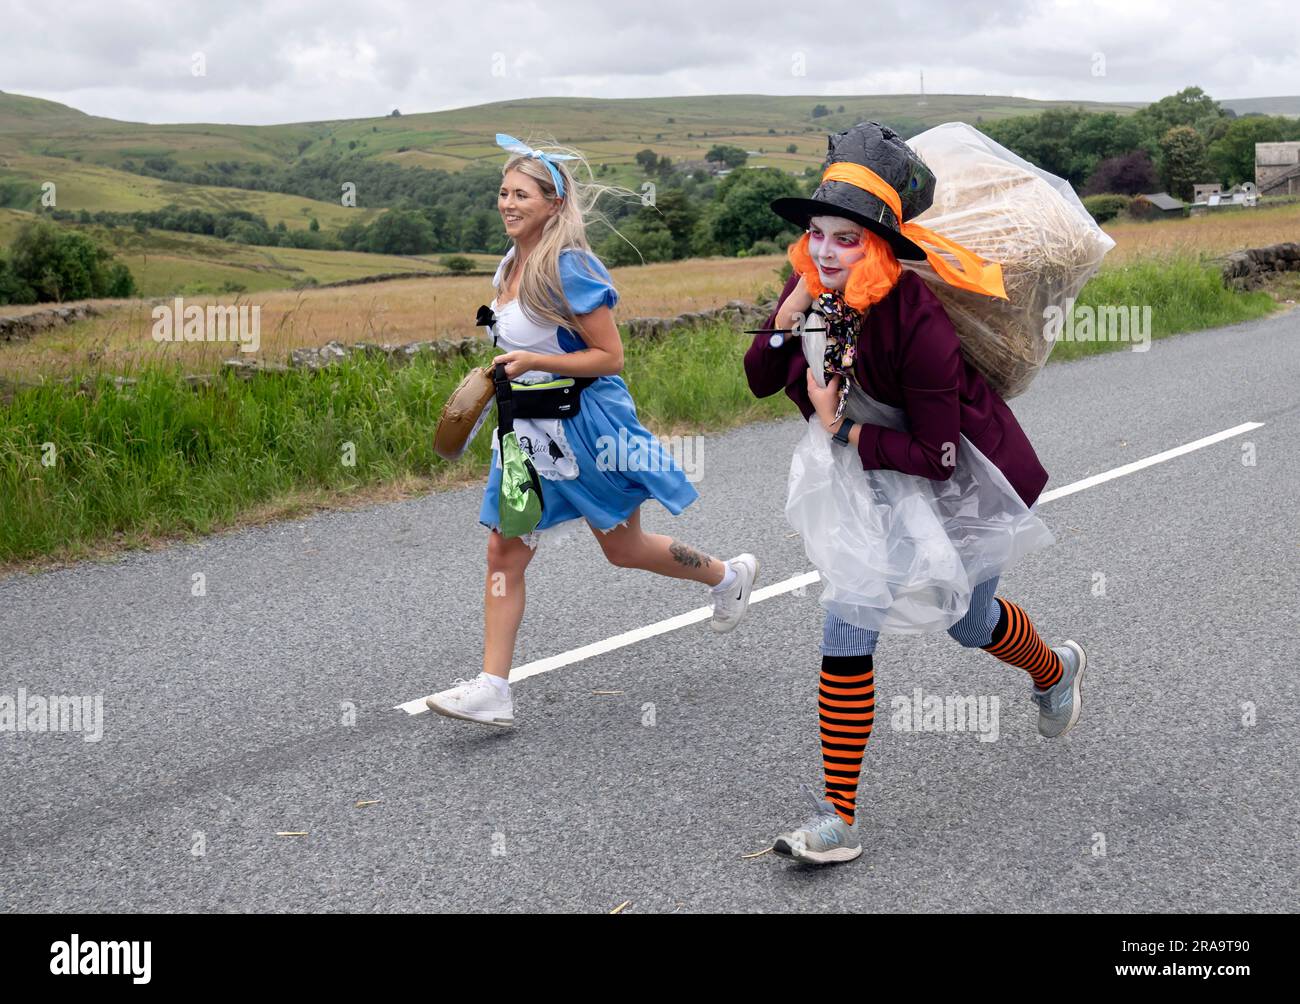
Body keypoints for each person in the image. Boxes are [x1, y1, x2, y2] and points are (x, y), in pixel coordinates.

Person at [743, 122, 1087, 865]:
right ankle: (837, 818)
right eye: (817, 235)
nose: (828, 251)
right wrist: (793, 303)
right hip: (867, 479)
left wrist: (842, 434)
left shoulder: (917, 322)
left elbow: (934, 457)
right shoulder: (815, 289)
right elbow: (761, 375)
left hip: (958, 479)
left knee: (968, 622)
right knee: (846, 626)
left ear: (880, 246)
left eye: (846, 239)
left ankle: (1055, 669)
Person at [425, 133, 759, 728]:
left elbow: (610, 356)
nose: (507, 203)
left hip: (586, 427)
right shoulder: (509, 264)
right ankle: (493, 689)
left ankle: (728, 576)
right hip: (525, 432)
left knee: (623, 549)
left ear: (553, 203)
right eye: (503, 192)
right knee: (504, 551)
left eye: (521, 194)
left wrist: (536, 363)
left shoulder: (569, 265)